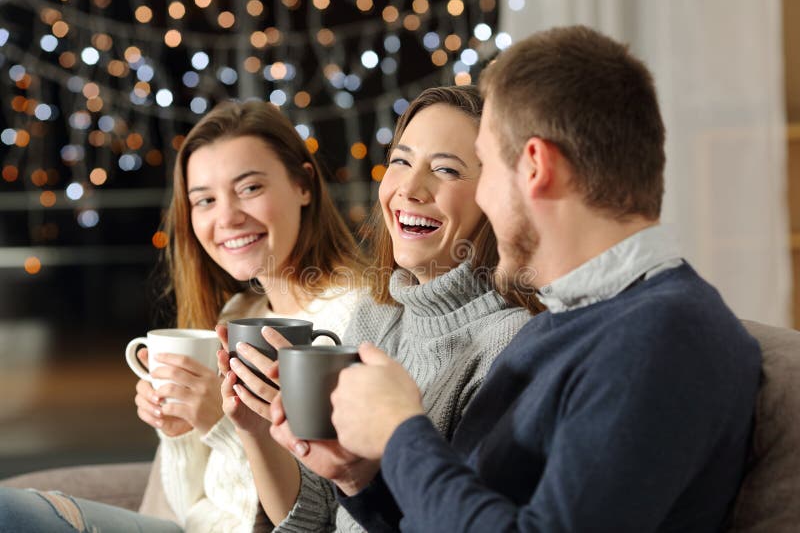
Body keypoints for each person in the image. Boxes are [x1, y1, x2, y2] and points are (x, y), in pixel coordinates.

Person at [316, 26, 762, 532]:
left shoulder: (665, 336)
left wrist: (401, 431)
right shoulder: (564, 325)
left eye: (485, 171)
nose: (481, 201)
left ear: (535, 168)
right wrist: (361, 479)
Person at [0, 100, 364, 532]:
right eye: (204, 200)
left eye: (249, 188)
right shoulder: (238, 313)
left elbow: (310, 514)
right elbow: (184, 506)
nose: (226, 217)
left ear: (304, 184)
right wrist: (180, 433)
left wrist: (218, 422)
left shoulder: (351, 318)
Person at [220, 85, 538, 532]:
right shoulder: (376, 311)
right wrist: (257, 431)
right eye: (401, 161)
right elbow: (319, 520)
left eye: (445, 170)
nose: (410, 188)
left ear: (497, 198)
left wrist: (365, 471)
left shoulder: (509, 344)